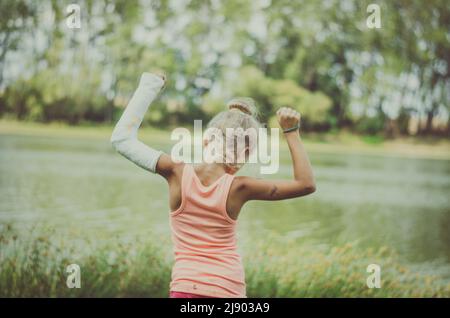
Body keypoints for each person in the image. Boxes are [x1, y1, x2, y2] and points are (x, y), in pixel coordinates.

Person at [110, 72, 316, 298]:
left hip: (185, 288)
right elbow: (306, 184)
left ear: (206, 139)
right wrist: (291, 131)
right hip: (227, 290)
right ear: (244, 154)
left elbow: (122, 139)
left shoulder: (175, 172)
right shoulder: (240, 188)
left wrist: (150, 85)